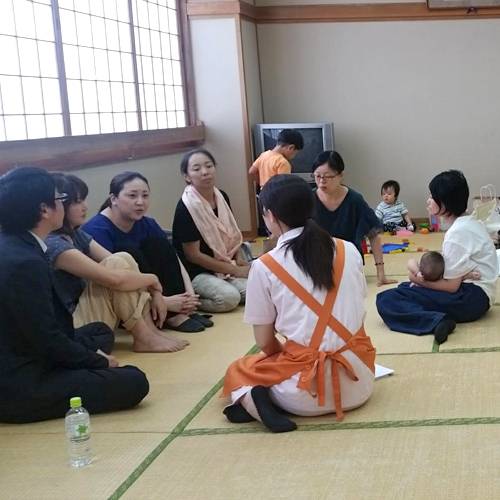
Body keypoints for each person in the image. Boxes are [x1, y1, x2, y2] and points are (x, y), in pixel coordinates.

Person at [221, 175, 376, 433]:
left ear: (269, 215)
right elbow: (358, 307)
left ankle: (252, 398)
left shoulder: (263, 266)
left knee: (241, 367)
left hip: (301, 395)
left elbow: (266, 344)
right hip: (359, 382)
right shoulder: (348, 249)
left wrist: (294, 357)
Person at [0, 167, 149, 424]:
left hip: (24, 349)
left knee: (99, 332)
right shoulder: (25, 262)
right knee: (134, 380)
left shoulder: (14, 244)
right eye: (62, 199)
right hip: (22, 383)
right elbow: (46, 340)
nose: (65, 204)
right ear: (44, 210)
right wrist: (96, 361)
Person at [46, 172, 189, 353]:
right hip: (73, 323)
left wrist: (157, 293)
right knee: (116, 268)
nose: (85, 207)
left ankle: (149, 332)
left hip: (89, 309)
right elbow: (114, 279)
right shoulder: (53, 243)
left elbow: (116, 262)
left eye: (83, 200)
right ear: (59, 205)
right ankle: (144, 337)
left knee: (121, 258)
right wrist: (154, 282)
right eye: (78, 202)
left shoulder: (75, 234)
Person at [377, 170, 499, 345]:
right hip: (477, 295)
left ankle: (435, 321)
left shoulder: (457, 233)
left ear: (444, 202)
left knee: (387, 299)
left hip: (470, 298)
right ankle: (437, 317)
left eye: (432, 196)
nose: (428, 200)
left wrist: (417, 279)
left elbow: (451, 286)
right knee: (405, 288)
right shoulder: (469, 222)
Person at [83, 172, 210, 333]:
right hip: (120, 299)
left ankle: (180, 310)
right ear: (113, 199)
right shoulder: (96, 229)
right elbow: (113, 280)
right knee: (127, 251)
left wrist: (188, 294)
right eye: (132, 196)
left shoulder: (147, 223)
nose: (140, 202)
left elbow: (173, 257)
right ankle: (170, 312)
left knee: (159, 244)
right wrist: (164, 301)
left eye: (145, 195)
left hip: (154, 293)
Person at [172, 149, 249, 313]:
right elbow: (193, 255)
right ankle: (192, 303)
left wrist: (239, 259)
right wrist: (235, 270)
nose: (205, 172)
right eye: (196, 168)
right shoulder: (186, 207)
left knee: (259, 289)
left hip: (225, 264)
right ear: (187, 176)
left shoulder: (221, 196)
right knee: (230, 299)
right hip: (197, 272)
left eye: (209, 166)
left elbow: (231, 234)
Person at [312, 151, 396, 287]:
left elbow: (373, 235)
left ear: (341, 176)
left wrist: (381, 273)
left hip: (348, 262)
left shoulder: (354, 200)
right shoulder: (308, 199)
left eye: (328, 176)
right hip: (318, 263)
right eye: (317, 176)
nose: (322, 181)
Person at [407, 252, 481, 284]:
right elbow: (458, 277)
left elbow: (410, 261)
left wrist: (417, 273)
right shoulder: (442, 277)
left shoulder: (421, 271)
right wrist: (470, 275)